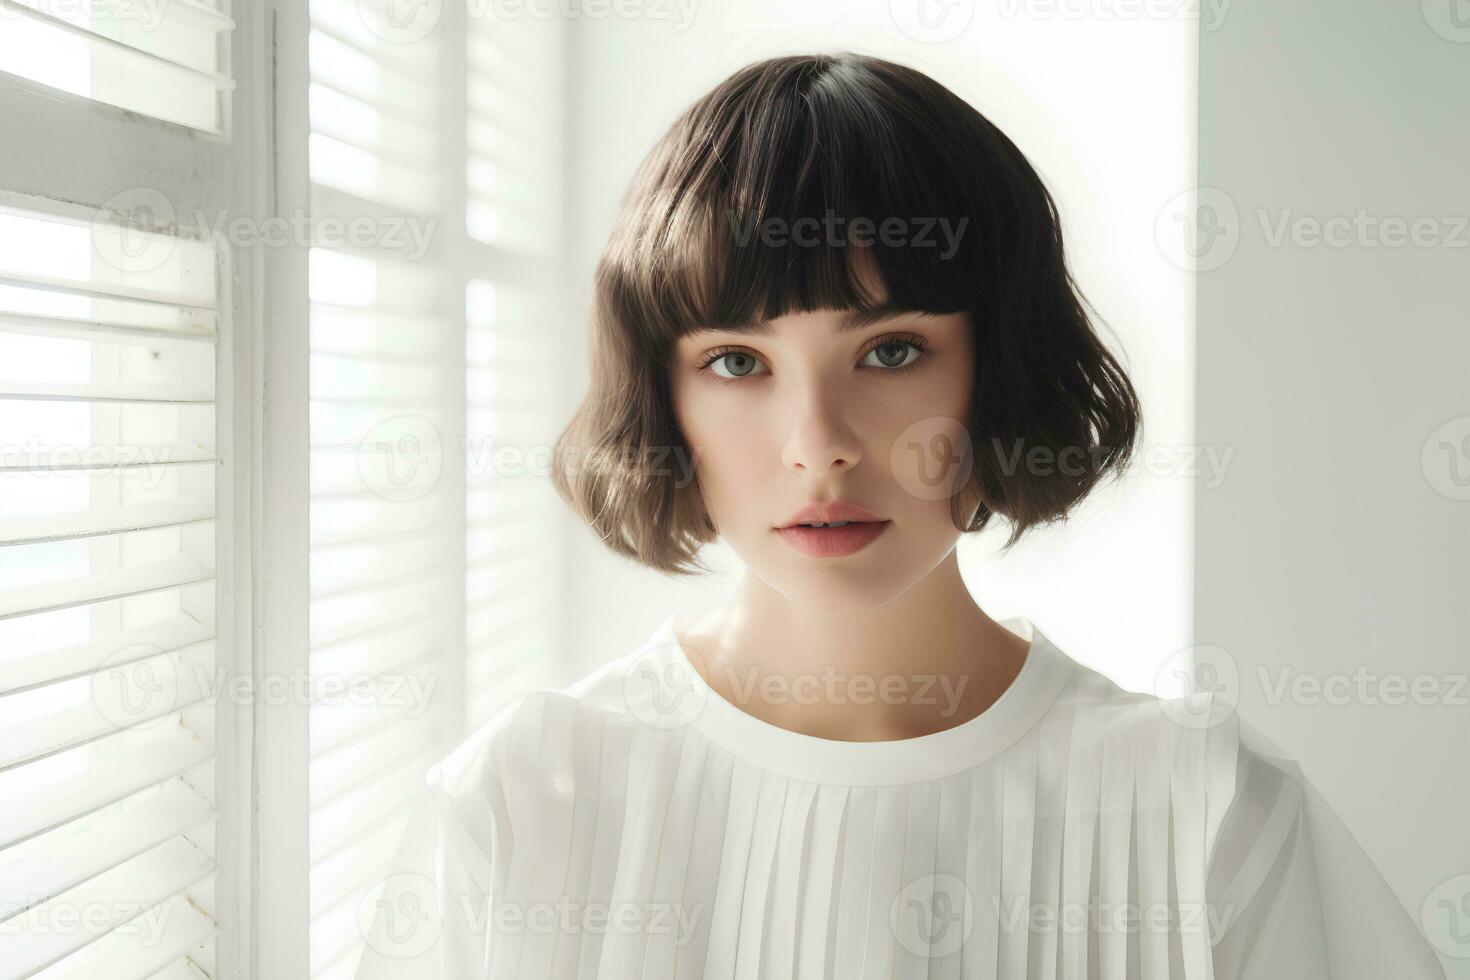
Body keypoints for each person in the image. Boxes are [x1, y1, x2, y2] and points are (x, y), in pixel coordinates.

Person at [357, 53, 1444, 979]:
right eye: (737, 361)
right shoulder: (525, 799)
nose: (818, 439)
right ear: (665, 397)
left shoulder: (1203, 812)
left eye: (890, 350)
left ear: (999, 369)